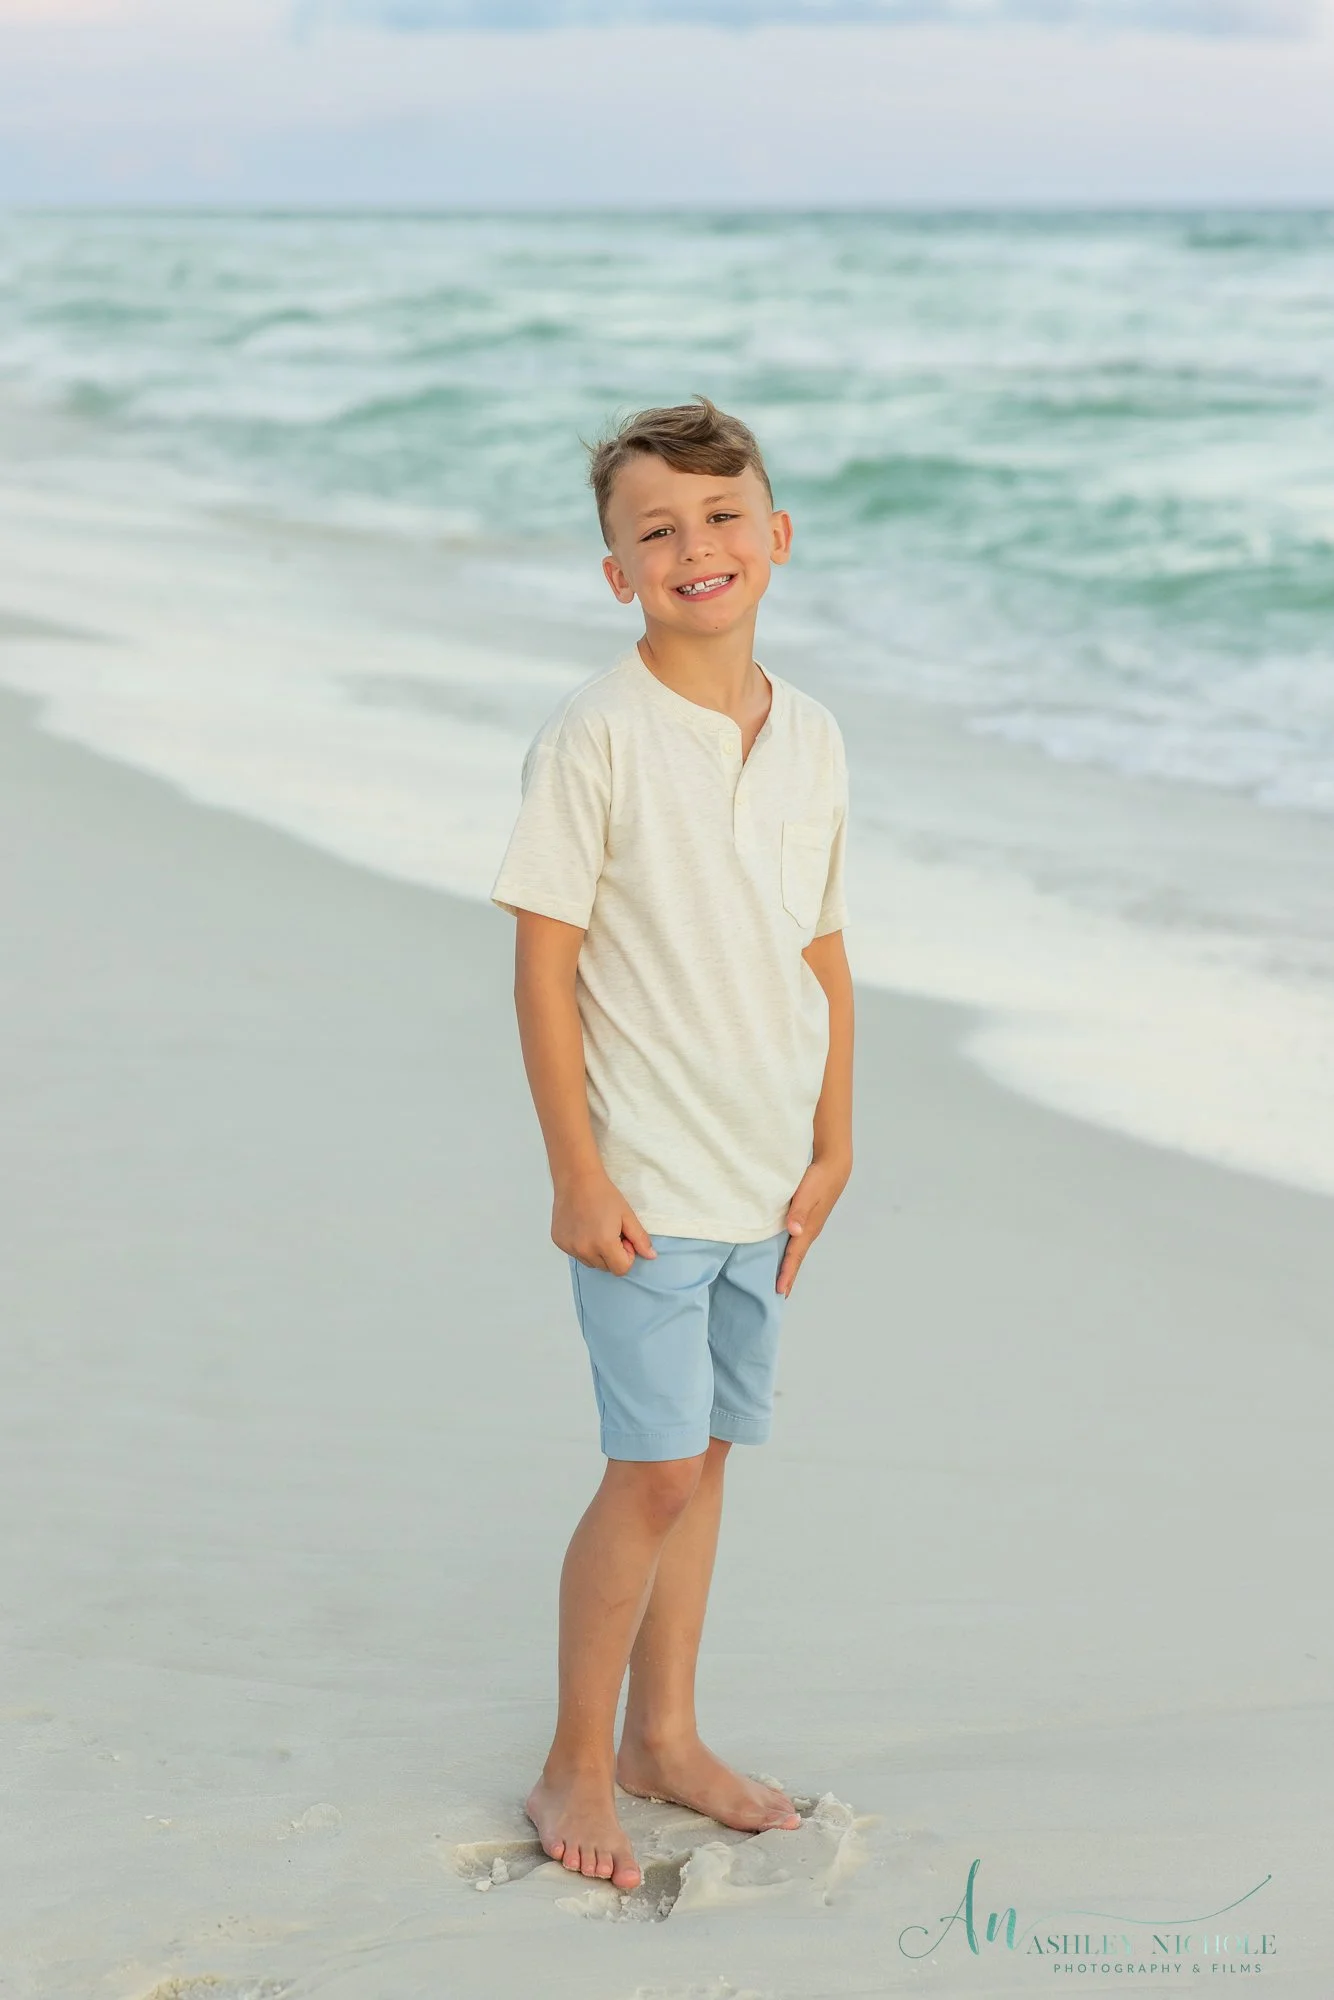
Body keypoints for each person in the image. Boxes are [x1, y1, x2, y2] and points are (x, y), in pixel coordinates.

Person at [489, 394, 855, 1895]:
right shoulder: (596, 734)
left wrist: (835, 1138)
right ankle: (576, 1759)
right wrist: (575, 1172)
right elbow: (543, 964)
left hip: (765, 1173)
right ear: (616, 570)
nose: (694, 546)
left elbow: (822, 944)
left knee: (703, 1461)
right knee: (645, 1470)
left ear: (776, 536)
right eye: (656, 529)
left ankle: (667, 1738)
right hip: (644, 1180)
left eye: (720, 517)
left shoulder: (812, 734)